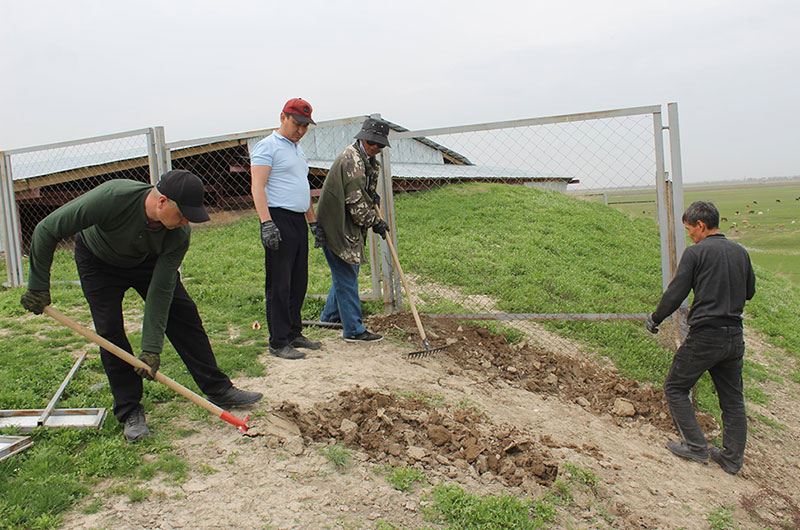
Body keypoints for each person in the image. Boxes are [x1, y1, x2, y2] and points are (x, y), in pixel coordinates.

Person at [20, 170, 263, 443]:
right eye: (182, 214)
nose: (186, 222)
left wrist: (151, 349)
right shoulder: (112, 197)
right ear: (162, 202)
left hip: (146, 262)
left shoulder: (178, 235)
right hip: (97, 262)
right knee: (109, 329)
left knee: (183, 314)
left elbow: (161, 292)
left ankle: (218, 389)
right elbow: (47, 229)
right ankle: (130, 411)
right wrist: (38, 286)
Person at [646, 200, 755, 475]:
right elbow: (750, 291)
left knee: (675, 387)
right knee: (732, 399)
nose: (690, 235)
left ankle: (695, 446)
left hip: (706, 335)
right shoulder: (740, 252)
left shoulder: (696, 254)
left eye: (690, 229)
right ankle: (731, 460)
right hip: (734, 337)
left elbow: (676, 292)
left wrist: (656, 318)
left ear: (701, 225)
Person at [250, 98, 325, 360]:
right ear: (283, 117)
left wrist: (313, 223)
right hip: (278, 218)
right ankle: (278, 341)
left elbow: (302, 189)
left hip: (297, 220)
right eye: (297, 124)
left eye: (305, 126)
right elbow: (257, 186)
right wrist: (266, 223)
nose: (301, 130)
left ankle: (294, 332)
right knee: (279, 284)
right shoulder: (267, 147)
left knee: (298, 281)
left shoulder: (297, 149)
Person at [315, 118, 392, 342]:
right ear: (361, 138)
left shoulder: (367, 159)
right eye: (371, 141)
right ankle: (354, 330)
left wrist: (372, 194)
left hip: (346, 224)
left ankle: (330, 318)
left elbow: (364, 191)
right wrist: (375, 222)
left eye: (379, 144)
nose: (374, 146)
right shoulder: (352, 161)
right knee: (347, 274)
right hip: (337, 226)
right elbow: (357, 206)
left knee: (346, 273)